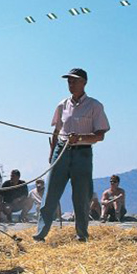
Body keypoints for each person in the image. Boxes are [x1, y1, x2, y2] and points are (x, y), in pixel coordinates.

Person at [34, 68, 110, 242]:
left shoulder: (95, 105)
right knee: (50, 192)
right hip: (61, 151)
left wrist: (81, 138)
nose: (71, 84)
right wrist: (52, 153)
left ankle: (81, 235)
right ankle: (40, 234)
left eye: (74, 80)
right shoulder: (62, 105)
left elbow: (100, 135)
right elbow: (56, 130)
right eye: (69, 81)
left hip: (82, 153)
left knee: (82, 195)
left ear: (84, 82)